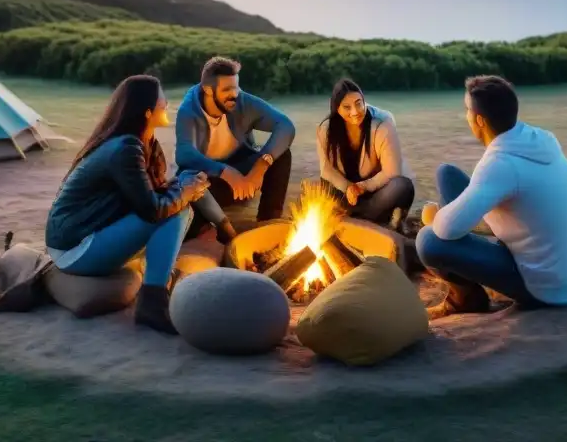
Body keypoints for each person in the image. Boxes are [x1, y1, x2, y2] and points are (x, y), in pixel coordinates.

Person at [415, 75, 567, 319]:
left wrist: (434, 217)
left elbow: (445, 230)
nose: (466, 116)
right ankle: (472, 255)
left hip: (550, 287)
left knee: (429, 241)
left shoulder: (501, 164)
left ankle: (465, 299)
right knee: (447, 174)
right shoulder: (539, 139)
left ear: (479, 120)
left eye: (467, 110)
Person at [45, 74, 211, 334]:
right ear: (147, 111)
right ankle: (152, 304)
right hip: (75, 249)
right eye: (161, 97)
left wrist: (186, 185)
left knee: (182, 195)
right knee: (176, 212)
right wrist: (186, 193)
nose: (166, 102)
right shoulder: (125, 148)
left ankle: (156, 288)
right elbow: (153, 210)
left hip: (96, 233)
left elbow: (151, 195)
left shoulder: (146, 144)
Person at [175, 56, 296, 237]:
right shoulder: (188, 110)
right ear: (208, 90)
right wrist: (225, 172)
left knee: (282, 155)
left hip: (243, 168)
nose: (235, 94)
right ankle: (213, 227)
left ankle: (268, 220)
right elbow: (184, 155)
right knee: (189, 215)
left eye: (236, 86)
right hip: (210, 179)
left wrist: (260, 167)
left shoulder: (241, 101)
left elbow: (285, 126)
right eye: (227, 89)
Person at [317, 78, 416, 231]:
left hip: (376, 193)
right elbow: (327, 170)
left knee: (402, 186)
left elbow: (392, 171)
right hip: (346, 195)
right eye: (347, 107)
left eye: (358, 103)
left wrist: (363, 187)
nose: (355, 112)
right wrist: (349, 188)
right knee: (319, 189)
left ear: (364, 101)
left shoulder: (383, 123)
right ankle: (365, 220)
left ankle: (360, 219)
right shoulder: (326, 129)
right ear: (337, 108)